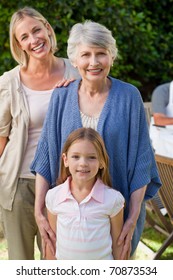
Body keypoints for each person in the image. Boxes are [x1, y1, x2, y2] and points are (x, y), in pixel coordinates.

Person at [31, 20, 161, 259]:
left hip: (116, 217)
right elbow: (45, 156)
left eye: (101, 53)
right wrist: (40, 212)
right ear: (74, 60)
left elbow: (143, 161)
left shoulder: (129, 96)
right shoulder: (61, 96)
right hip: (69, 218)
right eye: (86, 54)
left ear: (111, 56)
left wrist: (131, 219)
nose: (93, 62)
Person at [0, 6, 79, 260]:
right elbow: (1, 137)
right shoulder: (9, 82)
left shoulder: (76, 72)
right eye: (24, 37)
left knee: (56, 263)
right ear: (19, 45)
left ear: (47, 28)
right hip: (19, 184)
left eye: (36, 30)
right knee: (19, 263)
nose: (34, 40)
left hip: (63, 184)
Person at [45, 127, 125, 260]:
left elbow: (118, 245)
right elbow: (52, 242)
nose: (83, 163)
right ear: (65, 160)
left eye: (91, 157)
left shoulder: (113, 199)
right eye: (76, 157)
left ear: (101, 162)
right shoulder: (54, 197)